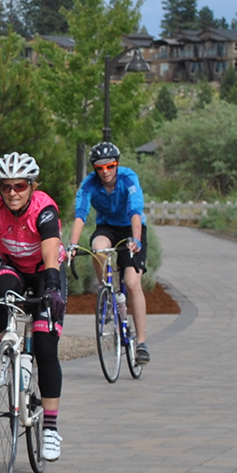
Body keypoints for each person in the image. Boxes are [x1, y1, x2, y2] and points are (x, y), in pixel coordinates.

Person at [0, 152, 68, 461]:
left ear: (32, 186)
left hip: (46, 274)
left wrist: (54, 288)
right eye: (5, 187)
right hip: (14, 269)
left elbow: (50, 256)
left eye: (20, 186)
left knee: (45, 350)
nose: (13, 193)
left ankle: (50, 428)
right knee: (1, 288)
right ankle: (5, 353)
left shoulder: (44, 210)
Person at [66, 140, 151, 365]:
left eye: (110, 166)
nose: (105, 172)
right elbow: (81, 214)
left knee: (133, 283)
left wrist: (136, 239)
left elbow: (135, 210)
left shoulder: (128, 178)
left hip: (132, 226)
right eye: (100, 168)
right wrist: (72, 245)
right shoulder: (89, 184)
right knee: (98, 247)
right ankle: (106, 288)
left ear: (117, 164)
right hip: (107, 227)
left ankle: (141, 343)